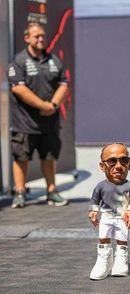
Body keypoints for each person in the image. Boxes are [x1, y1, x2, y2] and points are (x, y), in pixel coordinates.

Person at [8, 21, 69, 208]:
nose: (41, 39)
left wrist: (53, 105)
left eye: (42, 35)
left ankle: (52, 192)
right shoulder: (18, 61)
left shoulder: (53, 60)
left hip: (49, 122)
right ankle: (20, 193)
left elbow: (64, 84)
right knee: (21, 158)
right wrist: (43, 105)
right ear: (27, 38)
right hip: (24, 123)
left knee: (49, 157)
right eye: (37, 36)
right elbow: (19, 89)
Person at [88, 143, 130, 280]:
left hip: (122, 218)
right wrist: (93, 211)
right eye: (112, 161)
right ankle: (103, 259)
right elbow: (94, 200)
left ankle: (121, 260)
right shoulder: (100, 186)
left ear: (129, 164)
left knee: (122, 238)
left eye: (124, 160)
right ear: (102, 166)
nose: (118, 166)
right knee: (103, 237)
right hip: (106, 217)